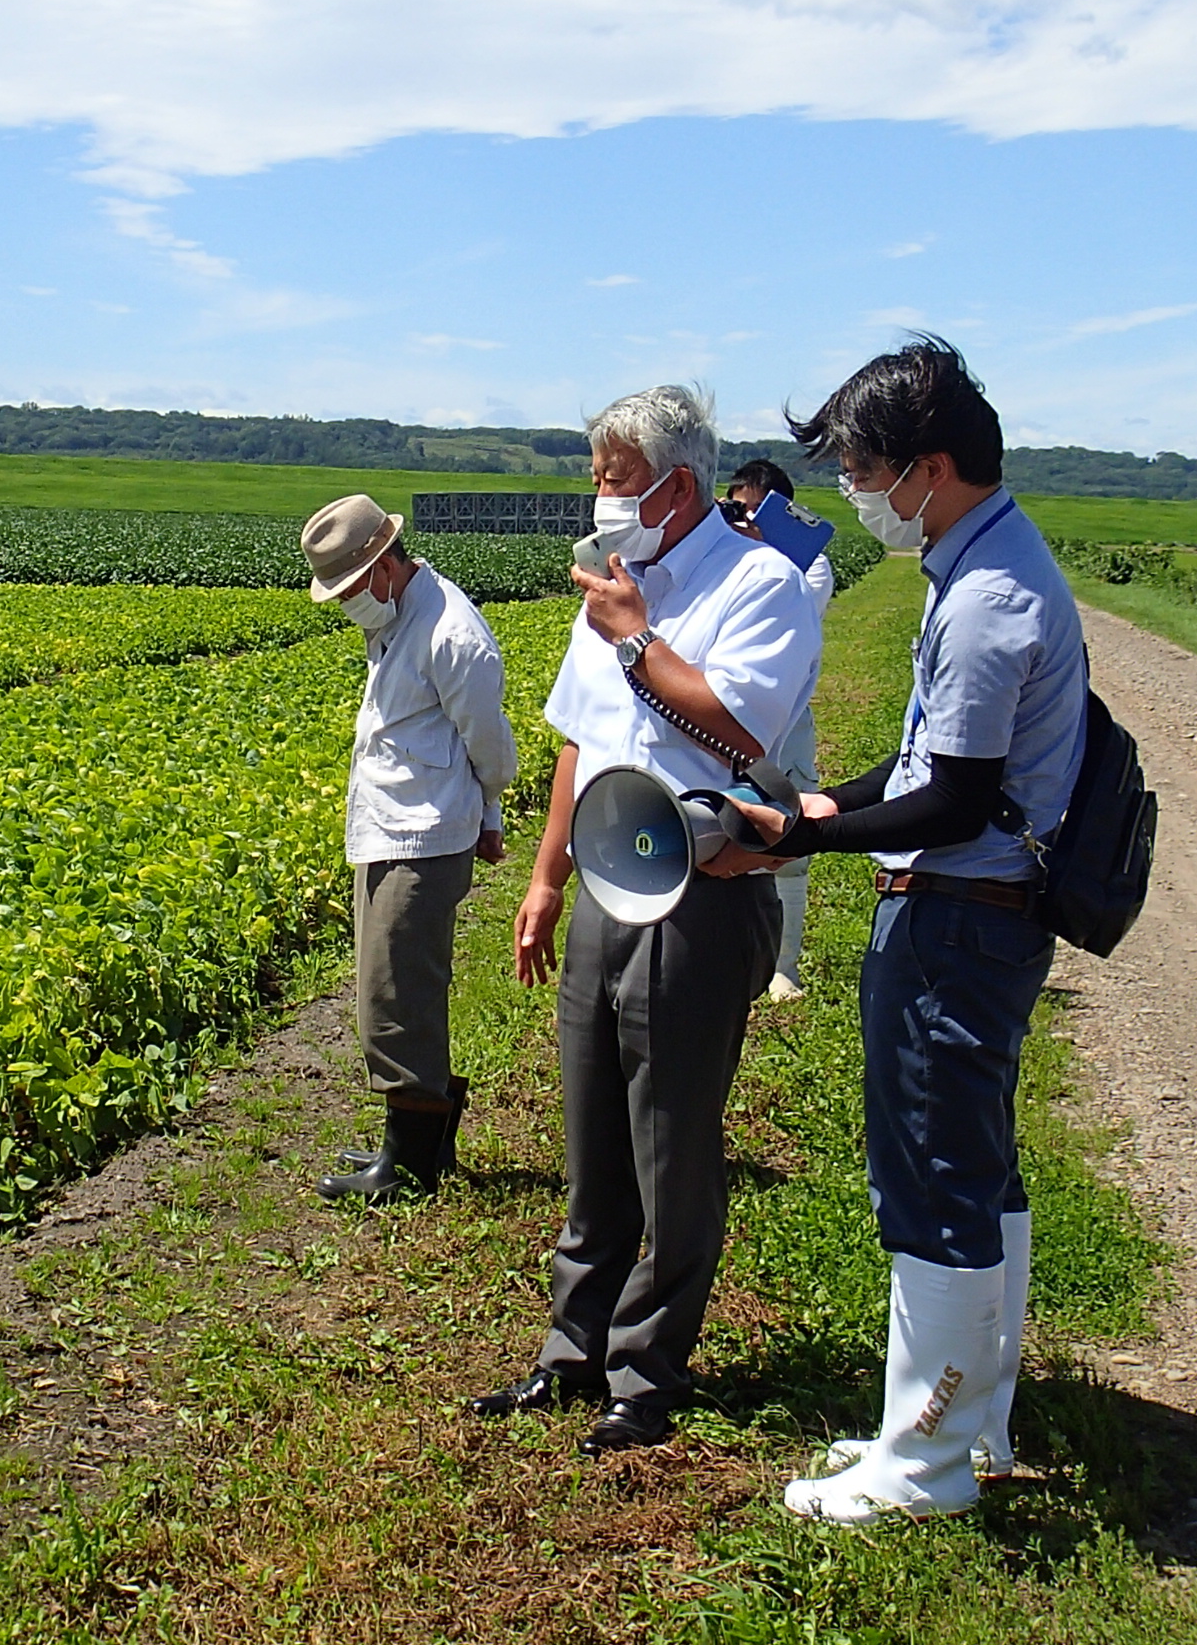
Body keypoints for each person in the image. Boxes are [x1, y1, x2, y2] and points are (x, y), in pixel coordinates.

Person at [707, 335, 1088, 1524]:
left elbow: (958, 797)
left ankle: (922, 1465)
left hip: (956, 920)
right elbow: (926, 761)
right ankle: (966, 1427)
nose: (851, 490)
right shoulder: (981, 562)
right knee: (973, 1169)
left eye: (863, 465)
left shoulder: (984, 600)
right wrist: (817, 806)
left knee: (930, 1178)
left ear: (927, 464)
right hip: (979, 913)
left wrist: (794, 840)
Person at [463, 385, 822, 1455]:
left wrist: (635, 641)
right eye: (595, 480)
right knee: (591, 1134)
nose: (600, 500)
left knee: (668, 1143)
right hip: (604, 888)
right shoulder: (610, 586)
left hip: (699, 895)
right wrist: (543, 879)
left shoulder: (761, 586)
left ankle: (646, 1372)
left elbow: (740, 726)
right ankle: (568, 1353)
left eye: (615, 483)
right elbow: (581, 740)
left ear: (675, 486)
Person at [299, 495, 517, 1205]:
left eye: (353, 588)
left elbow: (490, 744)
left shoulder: (452, 634)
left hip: (425, 835)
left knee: (399, 993)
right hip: (390, 826)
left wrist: (488, 811)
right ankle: (418, 1137)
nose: (350, 604)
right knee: (385, 987)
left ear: (386, 565)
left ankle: (412, 1160)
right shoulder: (398, 618)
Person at [723, 456, 835, 1001]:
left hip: (786, 726)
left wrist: (761, 544)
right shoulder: (723, 561)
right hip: (725, 723)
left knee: (789, 844)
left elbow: (786, 607)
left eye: (751, 509)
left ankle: (782, 967)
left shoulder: (808, 568)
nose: (740, 520)